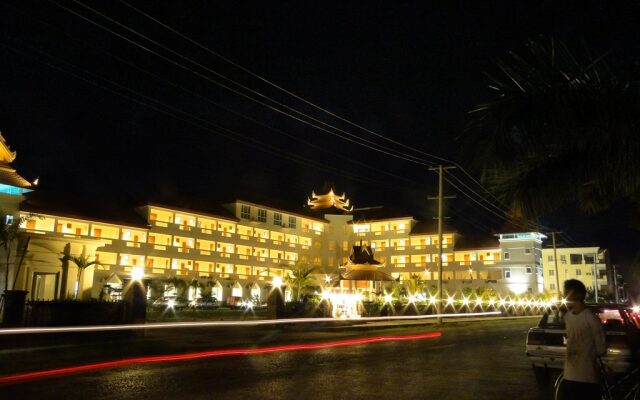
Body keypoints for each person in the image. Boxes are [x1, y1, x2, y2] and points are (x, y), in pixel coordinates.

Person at [561, 279, 607, 400]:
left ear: (579, 295)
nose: (565, 297)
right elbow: (601, 349)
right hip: (585, 377)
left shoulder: (569, 317)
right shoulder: (591, 318)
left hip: (575, 377)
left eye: (567, 293)